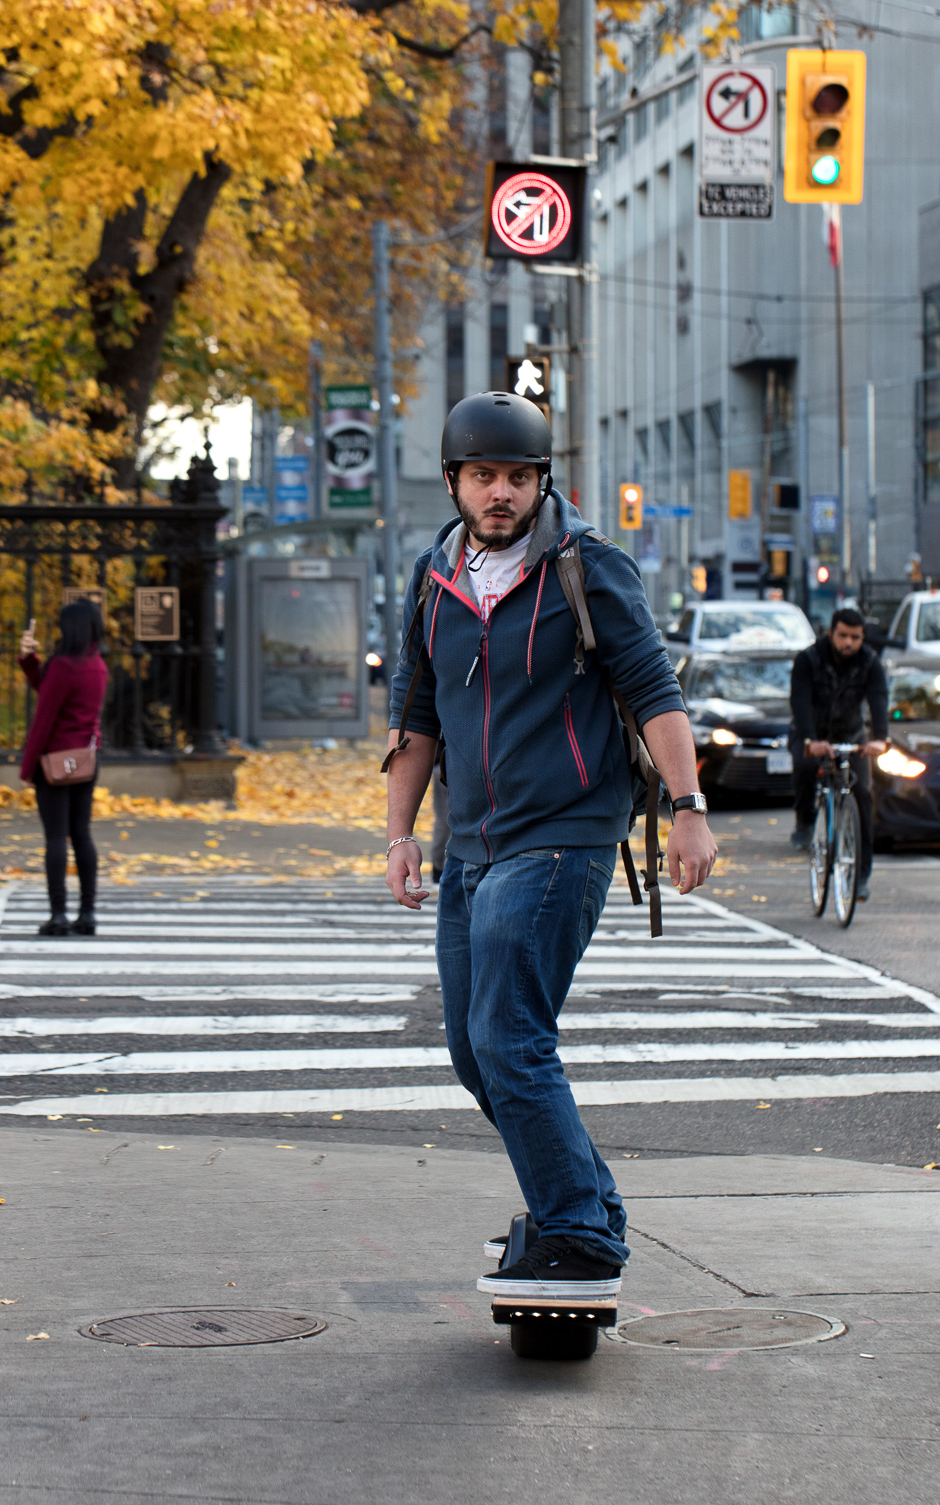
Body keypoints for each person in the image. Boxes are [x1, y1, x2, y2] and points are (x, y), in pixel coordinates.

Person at [384, 391, 717, 1302]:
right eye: (484, 476)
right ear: (454, 481)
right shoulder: (433, 577)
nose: (501, 493)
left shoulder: (587, 567)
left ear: (541, 482)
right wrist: (401, 835)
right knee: (469, 1047)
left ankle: (575, 1231)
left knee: (509, 1034)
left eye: (518, 478)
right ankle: (586, 1206)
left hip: (565, 835)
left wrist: (688, 805)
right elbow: (415, 720)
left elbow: (654, 690)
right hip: (472, 844)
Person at [18, 600, 108, 936]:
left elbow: (44, 718)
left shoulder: (63, 667)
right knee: (82, 834)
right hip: (86, 760)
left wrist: (27, 769)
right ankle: (88, 913)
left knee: (56, 837)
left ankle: (58, 915)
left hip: (55, 763)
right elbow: (50, 691)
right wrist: (30, 662)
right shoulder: (97, 665)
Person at [789, 605, 888, 900]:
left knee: (864, 795)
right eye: (843, 636)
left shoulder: (870, 663)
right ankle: (805, 820)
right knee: (805, 766)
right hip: (813, 733)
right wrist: (809, 739)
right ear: (831, 633)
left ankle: (860, 877)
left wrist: (880, 739)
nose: (849, 643)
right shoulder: (808, 659)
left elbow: (878, 700)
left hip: (850, 736)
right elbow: (800, 701)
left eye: (855, 637)